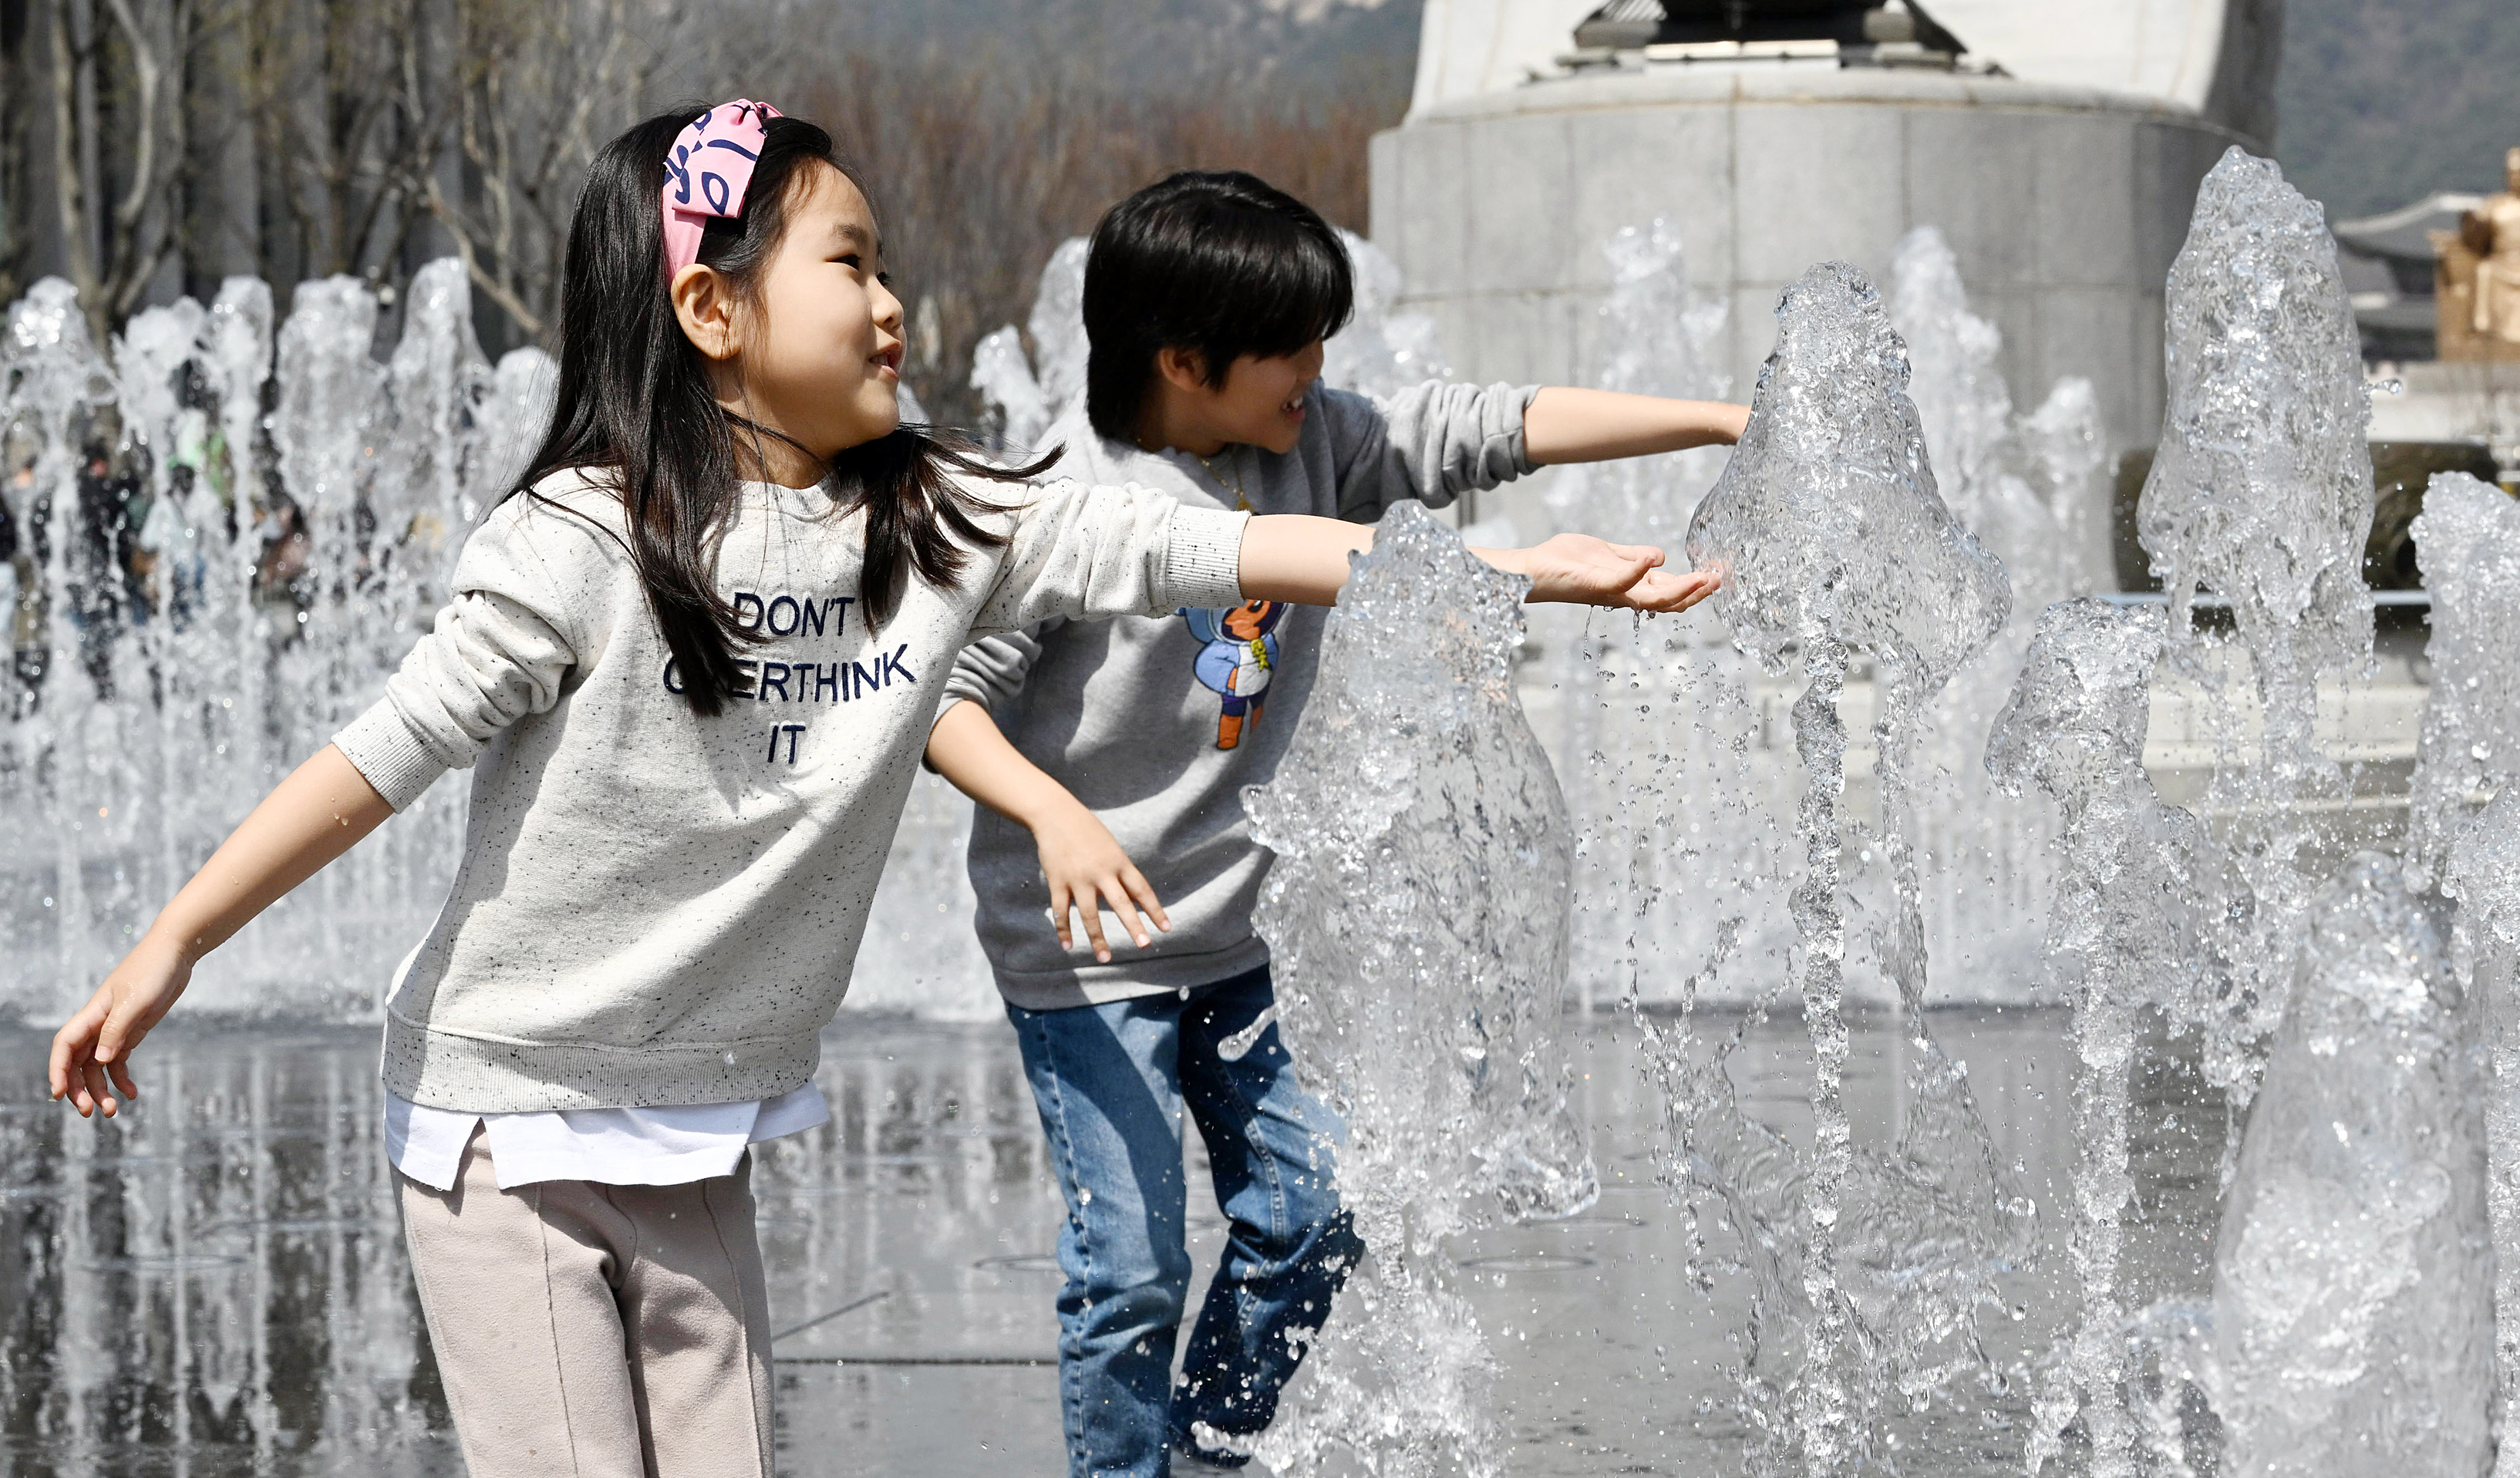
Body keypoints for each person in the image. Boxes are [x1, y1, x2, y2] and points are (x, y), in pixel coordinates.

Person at [42, 107, 1713, 1478]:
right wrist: (175, 937)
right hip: (512, 1117)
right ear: (713, 313)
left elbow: (1198, 540)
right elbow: (376, 757)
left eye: (886, 260)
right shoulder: (577, 546)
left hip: (703, 1109)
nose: (894, 298)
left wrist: (1504, 576)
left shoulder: (946, 519)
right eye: (848, 262)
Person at [921, 170, 1751, 1476]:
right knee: (1131, 1266)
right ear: (1184, 361)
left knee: (1317, 1214)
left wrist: (1723, 419)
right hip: (1085, 955)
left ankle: (1207, 1445)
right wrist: (1054, 813)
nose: (1320, 366)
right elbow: (940, 706)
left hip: (1239, 937)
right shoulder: (1052, 502)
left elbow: (1501, 423)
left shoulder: (1314, 445)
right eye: (1292, 346)